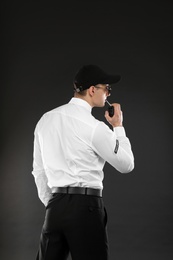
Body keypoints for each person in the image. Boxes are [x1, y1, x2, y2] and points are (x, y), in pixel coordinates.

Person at [32, 64, 134, 260]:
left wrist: (53, 204)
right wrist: (118, 126)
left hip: (55, 206)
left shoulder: (45, 119)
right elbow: (127, 164)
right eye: (107, 89)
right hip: (86, 207)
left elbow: (39, 171)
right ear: (92, 90)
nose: (108, 94)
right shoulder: (95, 127)